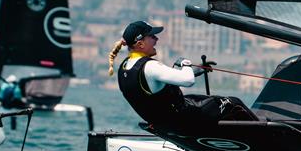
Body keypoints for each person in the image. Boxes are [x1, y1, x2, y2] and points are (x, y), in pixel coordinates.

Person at [107, 20, 256, 133]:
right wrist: (185, 64)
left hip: (161, 123)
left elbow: (155, 88)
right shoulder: (150, 66)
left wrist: (196, 70)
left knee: (201, 99)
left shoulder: (124, 67)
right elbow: (187, 80)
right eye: (152, 36)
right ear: (140, 44)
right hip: (182, 121)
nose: (156, 39)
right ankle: (264, 137)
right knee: (234, 103)